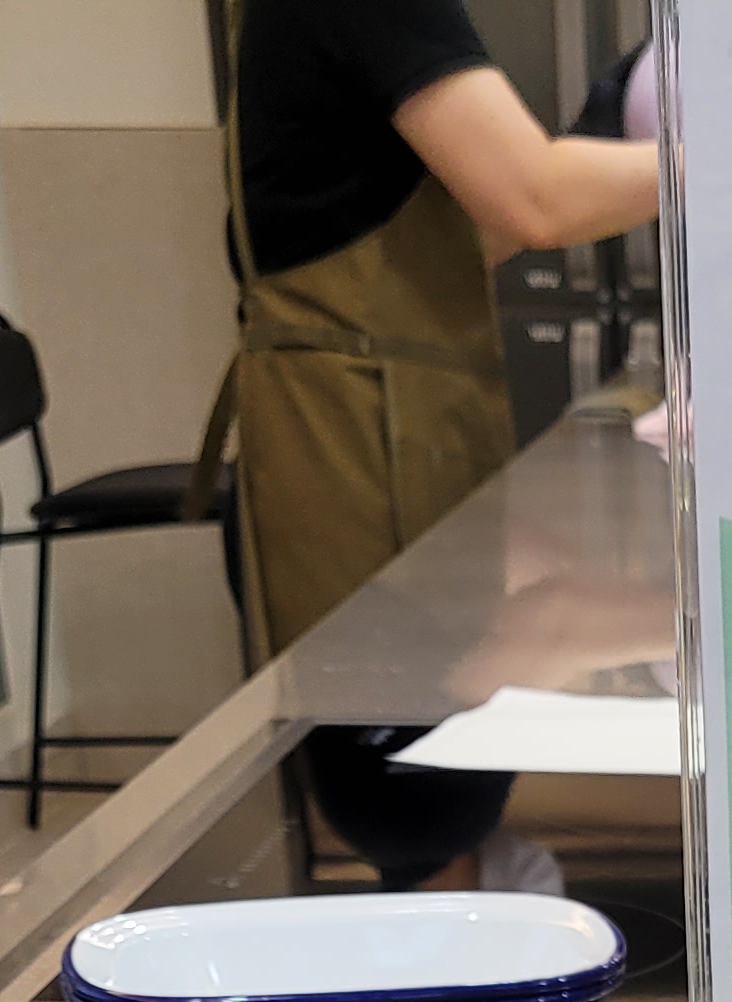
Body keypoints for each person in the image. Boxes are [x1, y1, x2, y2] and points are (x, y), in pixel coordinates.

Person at [207, 0, 660, 665]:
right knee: (384, 694)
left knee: (409, 686)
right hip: (355, 443)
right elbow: (535, 202)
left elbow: (474, 232)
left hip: (360, 426)